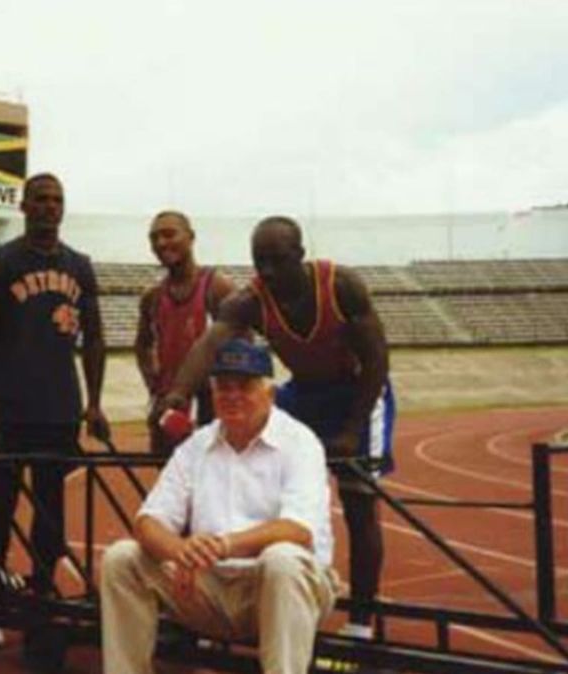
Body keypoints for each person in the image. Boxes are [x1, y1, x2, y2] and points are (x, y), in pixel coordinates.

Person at [156, 215, 394, 639]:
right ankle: (225, 596)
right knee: (243, 447)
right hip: (304, 391)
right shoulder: (251, 299)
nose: (267, 272)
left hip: (359, 392)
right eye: (258, 261)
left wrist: (352, 428)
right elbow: (211, 343)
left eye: (277, 261)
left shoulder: (341, 286)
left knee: (359, 503)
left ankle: (361, 621)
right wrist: (177, 396)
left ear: (300, 256)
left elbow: (377, 359)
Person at [101, 338, 337, 674]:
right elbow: (148, 520)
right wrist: (180, 550)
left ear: (270, 394)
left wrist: (224, 545)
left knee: (282, 559)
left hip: (274, 589)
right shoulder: (197, 445)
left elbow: (297, 529)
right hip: (207, 588)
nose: (232, 395)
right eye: (223, 387)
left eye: (244, 385)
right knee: (122, 558)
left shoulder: (300, 443)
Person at [0, 172, 112, 648]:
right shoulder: (1, 261)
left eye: (57, 200)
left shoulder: (80, 266)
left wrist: (94, 403)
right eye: (40, 199)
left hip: (59, 406)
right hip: (9, 406)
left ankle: (43, 599)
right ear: (23, 206)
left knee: (50, 514)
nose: (49, 207)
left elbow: (97, 337)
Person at [134, 210, 235, 454]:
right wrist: (154, 385)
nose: (161, 243)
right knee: (170, 476)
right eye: (154, 238)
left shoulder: (218, 287)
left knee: (215, 475)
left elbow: (242, 345)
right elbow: (142, 345)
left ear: (190, 237)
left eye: (169, 234)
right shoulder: (153, 297)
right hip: (170, 402)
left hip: (211, 402)